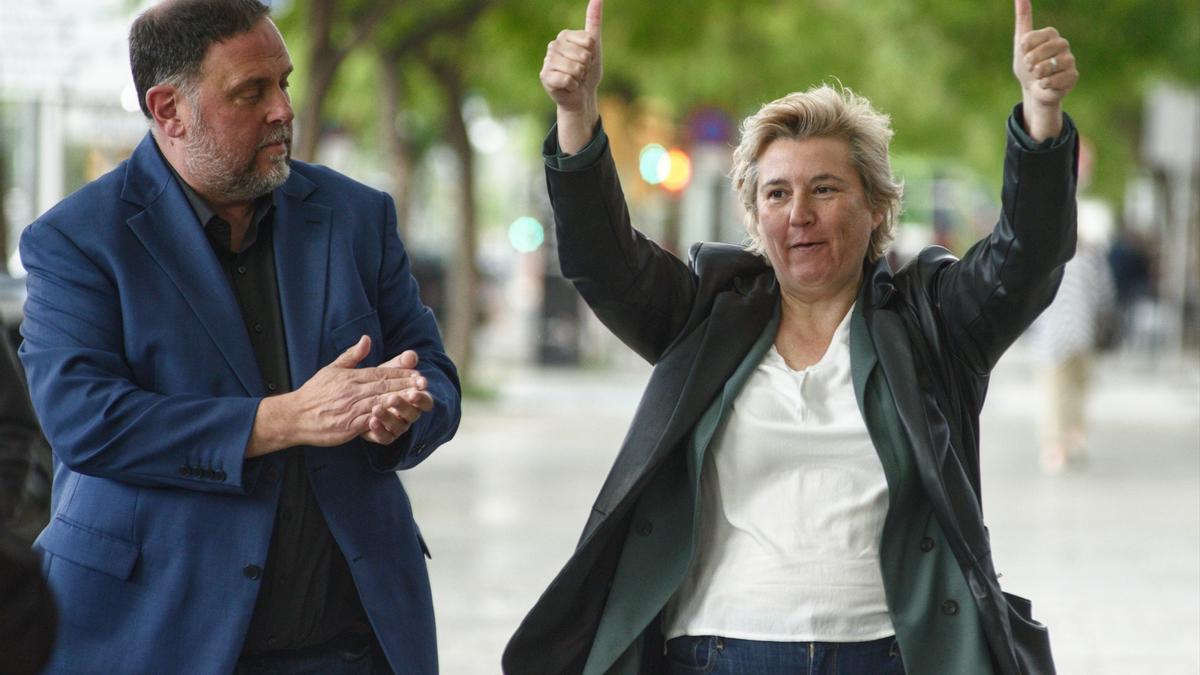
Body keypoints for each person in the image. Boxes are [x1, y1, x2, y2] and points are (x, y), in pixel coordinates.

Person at [505, 0, 1078, 672]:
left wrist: (1041, 119)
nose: (799, 214)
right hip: (716, 651)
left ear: (875, 204)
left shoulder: (934, 322)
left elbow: (1025, 259)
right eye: (776, 194)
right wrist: (576, 113)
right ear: (754, 212)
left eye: (825, 188)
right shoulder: (703, 315)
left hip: (886, 654)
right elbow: (604, 261)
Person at [18, 0, 460, 672]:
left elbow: (433, 372)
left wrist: (402, 413)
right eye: (251, 91)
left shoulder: (357, 216)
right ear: (169, 110)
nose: (283, 109)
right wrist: (282, 419)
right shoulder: (76, 240)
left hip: (352, 643)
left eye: (283, 82)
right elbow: (85, 419)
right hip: (152, 637)